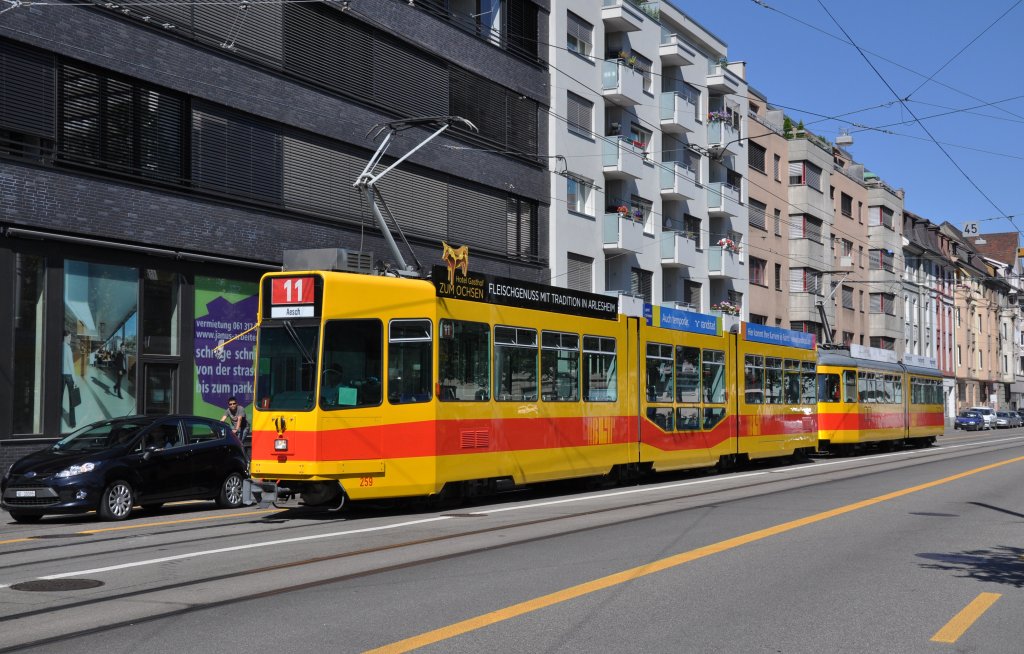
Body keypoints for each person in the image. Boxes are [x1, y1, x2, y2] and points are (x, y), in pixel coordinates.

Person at [62, 330, 76, 428]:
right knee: (72, 400)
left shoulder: (59, 347)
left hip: (61, 376)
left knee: (59, 398)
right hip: (69, 376)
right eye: (69, 337)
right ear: (65, 337)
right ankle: (72, 423)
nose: (70, 339)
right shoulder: (68, 348)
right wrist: (75, 379)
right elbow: (71, 365)